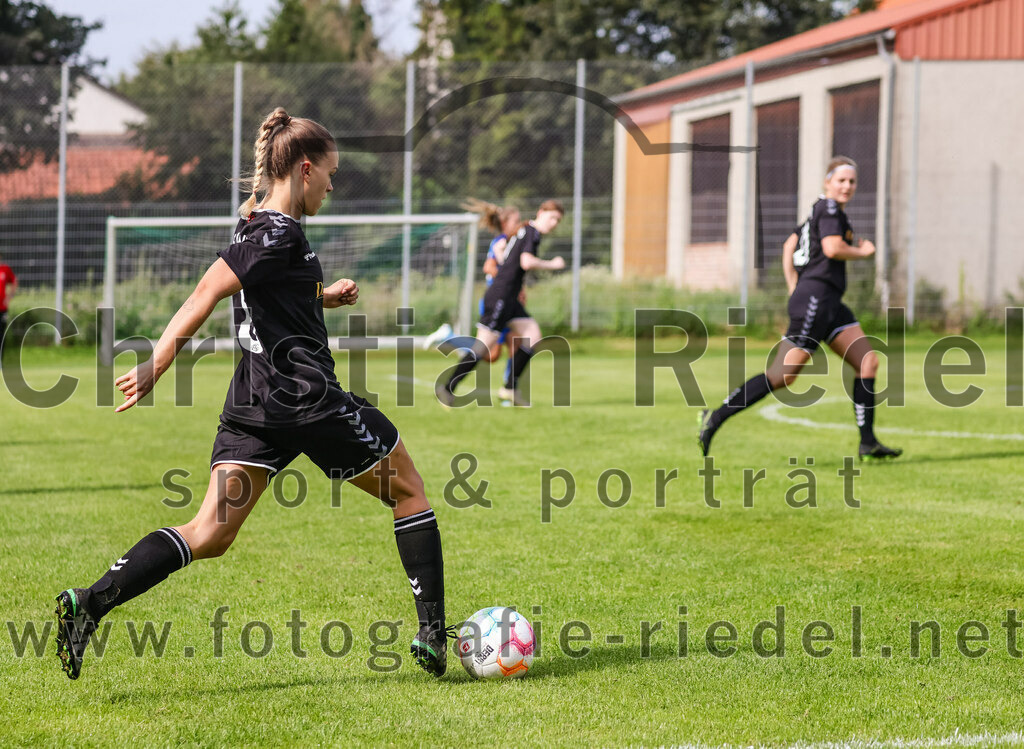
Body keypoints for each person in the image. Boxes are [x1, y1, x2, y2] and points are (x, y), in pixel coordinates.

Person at [54, 107, 451, 680]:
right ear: (305, 168)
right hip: (307, 399)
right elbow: (207, 291)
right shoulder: (278, 233)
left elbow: (267, 295)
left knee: (209, 533)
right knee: (410, 491)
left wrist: (320, 296)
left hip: (255, 404)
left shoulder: (254, 221)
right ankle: (434, 635)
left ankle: (89, 602)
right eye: (330, 174)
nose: (333, 185)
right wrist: (156, 365)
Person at [697, 156, 902, 461]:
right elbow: (832, 248)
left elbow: (788, 246)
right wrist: (863, 251)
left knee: (867, 362)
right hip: (817, 301)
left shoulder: (817, 212)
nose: (847, 186)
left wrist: (794, 285)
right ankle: (715, 418)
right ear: (827, 182)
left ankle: (867, 442)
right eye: (841, 180)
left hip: (827, 302)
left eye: (852, 181)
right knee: (783, 375)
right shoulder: (830, 208)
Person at [436, 200, 565, 408]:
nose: (554, 223)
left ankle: (509, 388)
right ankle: (447, 388)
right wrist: (553, 264)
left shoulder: (523, 231)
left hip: (510, 298)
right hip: (500, 298)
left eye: (558, 220)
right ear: (541, 212)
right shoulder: (531, 232)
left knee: (533, 335)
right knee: (485, 348)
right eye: (552, 217)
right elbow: (526, 262)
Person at [0, 255, 16, 361]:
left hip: (2, 309)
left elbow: (14, 282)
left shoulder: (5, 269)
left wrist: (9, 297)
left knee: (1, 334)